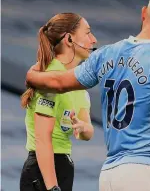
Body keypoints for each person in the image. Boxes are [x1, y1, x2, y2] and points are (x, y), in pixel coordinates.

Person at [26, 0, 150, 191]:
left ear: (144, 13)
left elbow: (59, 83)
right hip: (147, 171)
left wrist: (32, 76)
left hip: (110, 174)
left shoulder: (106, 54)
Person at [20, 13, 97, 191]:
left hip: (63, 165)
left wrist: (83, 128)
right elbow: (42, 139)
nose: (93, 40)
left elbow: (87, 131)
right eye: (87, 33)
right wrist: (52, 187)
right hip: (42, 171)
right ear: (69, 39)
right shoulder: (49, 79)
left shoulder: (78, 85)